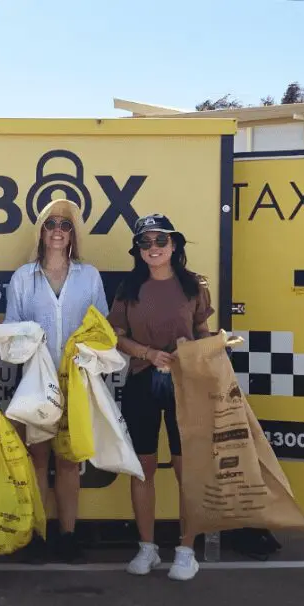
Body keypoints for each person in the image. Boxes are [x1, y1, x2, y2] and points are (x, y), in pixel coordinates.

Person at [107, 213, 214, 582]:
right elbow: (115, 336)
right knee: (143, 467)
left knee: (187, 469)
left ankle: (186, 549)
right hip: (142, 382)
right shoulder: (128, 288)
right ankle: (147, 547)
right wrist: (146, 353)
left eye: (160, 241)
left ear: (174, 245)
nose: (153, 248)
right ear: (138, 250)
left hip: (187, 386)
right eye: (145, 243)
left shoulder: (194, 286)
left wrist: (193, 347)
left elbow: (203, 331)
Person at [2, 198, 108, 562]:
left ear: (73, 234)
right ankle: (36, 533)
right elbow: (9, 334)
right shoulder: (22, 278)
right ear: (41, 232)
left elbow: (101, 329)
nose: (58, 231)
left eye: (65, 225)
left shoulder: (89, 276)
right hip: (33, 382)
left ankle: (67, 534)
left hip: (75, 382)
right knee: (36, 460)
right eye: (51, 224)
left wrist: (86, 354)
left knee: (67, 461)